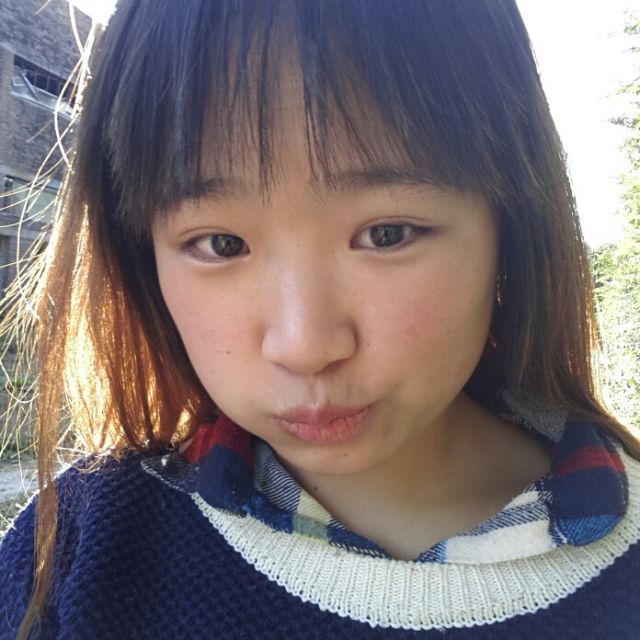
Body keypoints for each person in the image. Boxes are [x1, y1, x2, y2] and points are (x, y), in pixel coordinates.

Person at [1, 0, 639, 638]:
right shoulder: (75, 548)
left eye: (387, 234)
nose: (304, 346)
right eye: (221, 244)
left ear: (510, 227)